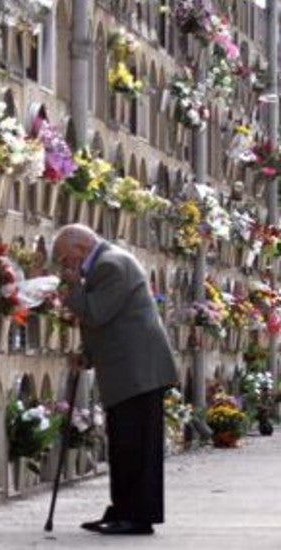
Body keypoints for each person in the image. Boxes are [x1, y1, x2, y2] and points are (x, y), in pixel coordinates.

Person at [51, 224, 178, 535]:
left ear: (81, 249)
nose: (66, 267)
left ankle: (137, 516)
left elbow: (95, 313)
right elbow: (110, 322)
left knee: (136, 447)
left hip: (138, 372)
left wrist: (72, 287)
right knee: (124, 444)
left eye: (66, 260)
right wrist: (88, 354)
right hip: (129, 370)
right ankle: (122, 509)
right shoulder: (107, 262)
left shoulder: (111, 265)